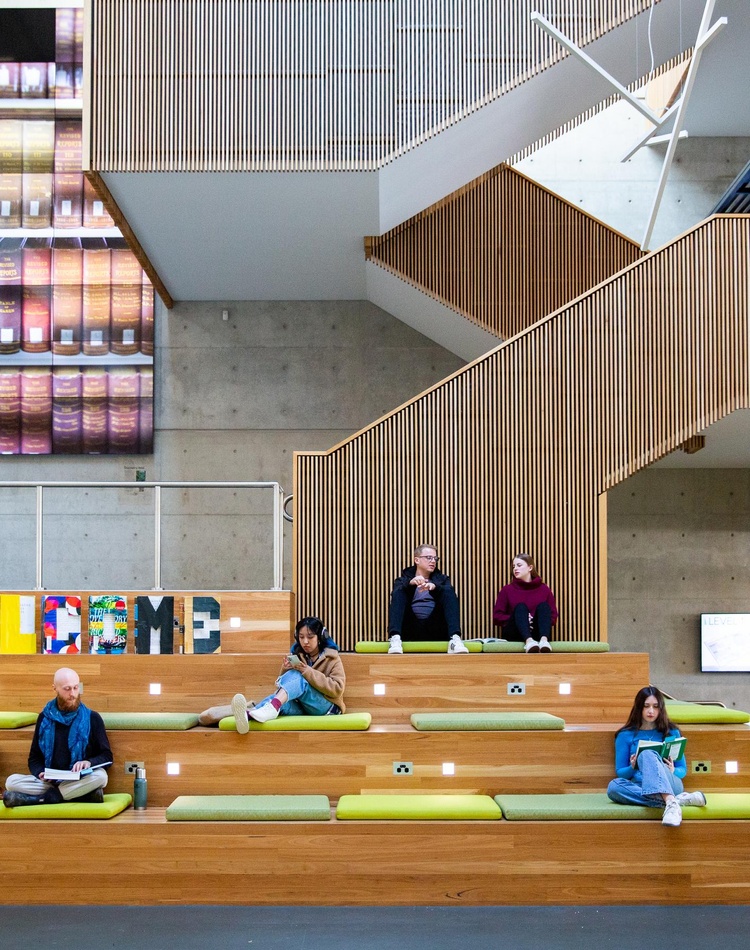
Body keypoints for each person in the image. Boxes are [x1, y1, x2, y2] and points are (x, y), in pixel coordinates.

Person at [198, 617, 346, 733]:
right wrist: (285, 669)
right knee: (277, 698)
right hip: (302, 706)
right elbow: (283, 687)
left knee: (297, 678)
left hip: (327, 709)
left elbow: (337, 688)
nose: (305, 641)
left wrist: (307, 671)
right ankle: (249, 715)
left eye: (310, 637)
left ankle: (268, 708)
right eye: (301, 637)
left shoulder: (332, 658)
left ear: (320, 637)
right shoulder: (298, 655)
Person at [3, 667, 112, 808]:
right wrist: (40, 773)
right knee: (11, 782)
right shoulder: (44, 718)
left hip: (78, 779)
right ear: (55, 689)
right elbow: (34, 758)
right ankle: (77, 795)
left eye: (75, 688)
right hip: (50, 782)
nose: (72, 694)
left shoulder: (92, 718)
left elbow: (107, 757)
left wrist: (88, 763)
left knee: (101, 777)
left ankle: (41, 799)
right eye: (67, 689)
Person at [607, 685, 707, 827]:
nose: (651, 711)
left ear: (661, 708)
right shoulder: (625, 735)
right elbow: (621, 773)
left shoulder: (671, 733)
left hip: (670, 783)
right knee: (613, 787)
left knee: (647, 753)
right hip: (640, 785)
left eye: (655, 706)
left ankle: (670, 800)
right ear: (639, 707)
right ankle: (675, 802)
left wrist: (672, 771)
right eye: (646, 706)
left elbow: (682, 770)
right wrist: (633, 767)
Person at [387, 543, 467, 654]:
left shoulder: (442, 580)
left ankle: (455, 639)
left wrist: (435, 588)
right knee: (399, 591)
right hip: (410, 628)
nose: (433, 561)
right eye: (429, 558)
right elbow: (397, 597)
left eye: (435, 558)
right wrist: (410, 584)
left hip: (435, 628)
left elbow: (449, 597)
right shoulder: (402, 580)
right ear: (417, 560)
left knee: (448, 591)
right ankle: (395, 638)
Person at [493, 553, 558, 653]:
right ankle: (529, 641)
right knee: (520, 607)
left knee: (544, 607)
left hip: (538, 632)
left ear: (530, 567)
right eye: (513, 566)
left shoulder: (544, 589)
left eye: (519, 565)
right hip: (515, 633)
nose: (515, 569)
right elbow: (497, 617)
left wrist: (532, 620)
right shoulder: (507, 590)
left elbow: (553, 616)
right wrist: (520, 618)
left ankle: (544, 641)